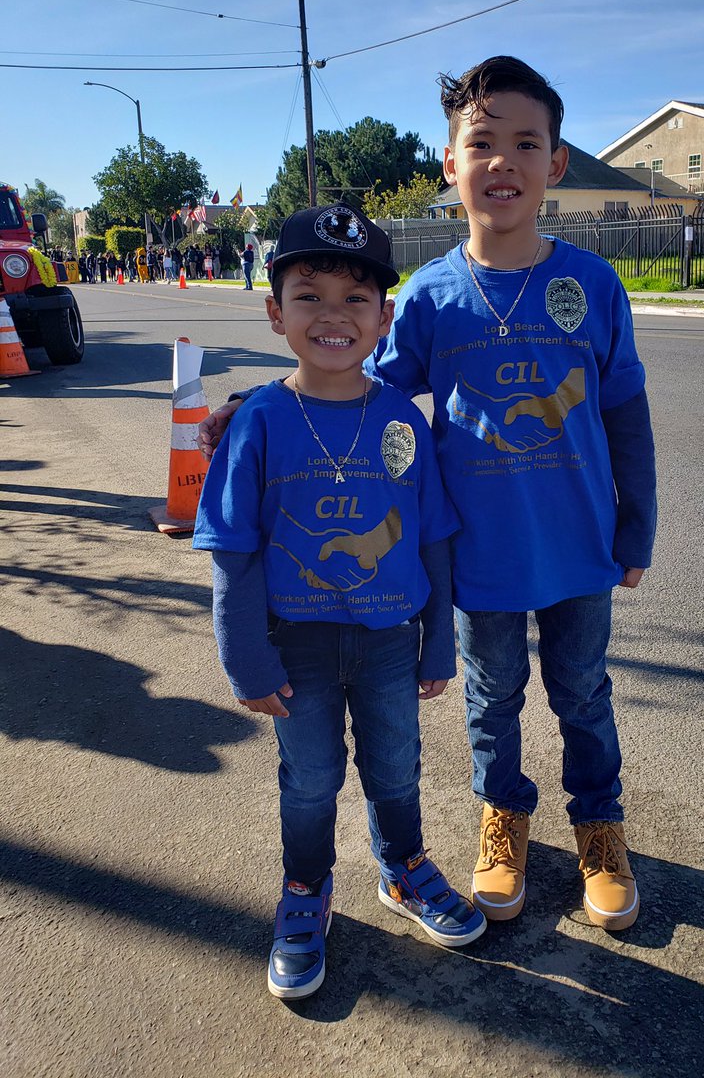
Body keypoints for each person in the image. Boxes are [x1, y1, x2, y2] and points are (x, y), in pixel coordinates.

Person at [199, 57, 657, 933]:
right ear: (451, 164)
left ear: (556, 164)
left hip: (580, 546)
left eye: (526, 143)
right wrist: (248, 403)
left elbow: (626, 414)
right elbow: (340, 370)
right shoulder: (432, 297)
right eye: (480, 143)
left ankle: (600, 826)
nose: (502, 162)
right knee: (493, 700)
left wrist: (638, 527)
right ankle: (503, 819)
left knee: (584, 694)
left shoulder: (593, 286)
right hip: (476, 553)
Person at [192, 204, 486, 1001]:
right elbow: (234, 550)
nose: (333, 315)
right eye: (309, 294)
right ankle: (305, 890)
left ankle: (403, 868)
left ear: (384, 318)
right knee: (311, 778)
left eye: (356, 299)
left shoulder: (401, 420)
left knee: (397, 765)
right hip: (297, 645)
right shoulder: (257, 422)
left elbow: (431, 537)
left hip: (391, 637)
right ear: (274, 311)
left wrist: (437, 641)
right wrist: (244, 656)